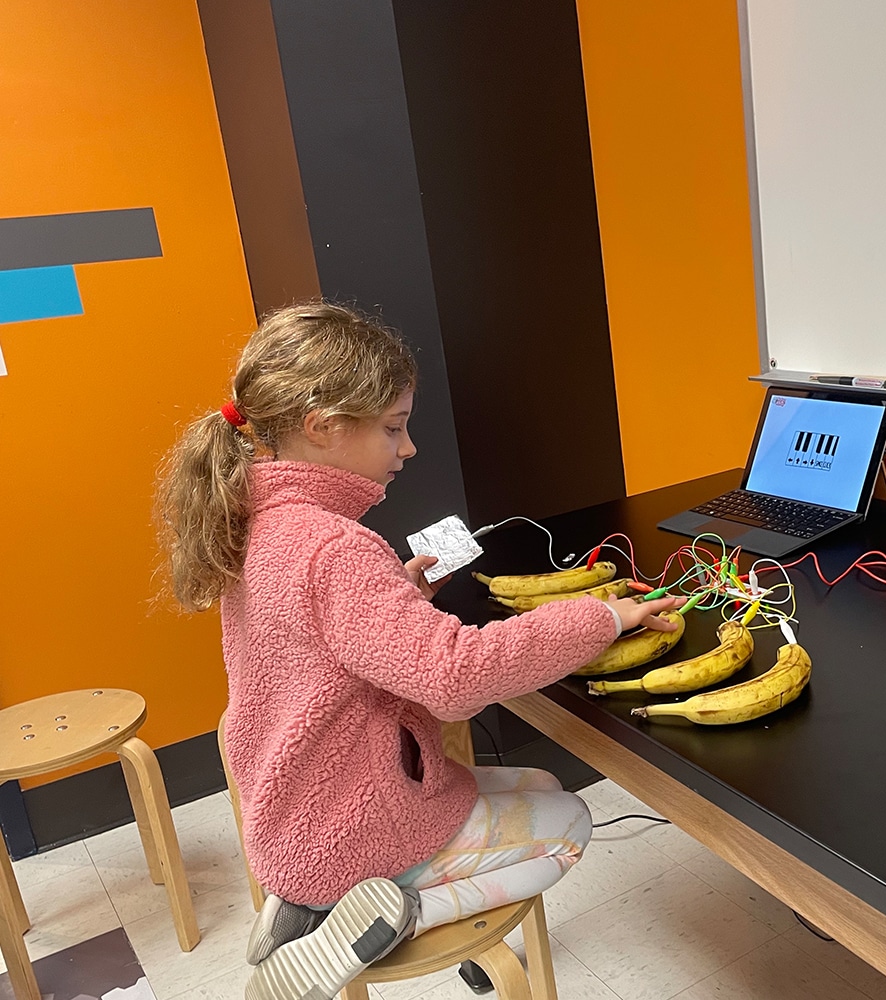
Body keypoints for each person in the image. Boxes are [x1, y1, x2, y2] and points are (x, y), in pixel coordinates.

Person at [156, 300, 682, 1000]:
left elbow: (318, 642)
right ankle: (392, 916)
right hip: (358, 827)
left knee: (545, 785)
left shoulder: (259, 524)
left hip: (294, 820)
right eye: (393, 428)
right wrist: (600, 618)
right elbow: (457, 678)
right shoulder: (336, 547)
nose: (407, 450)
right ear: (322, 427)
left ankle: (303, 907)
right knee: (571, 821)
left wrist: (399, 593)